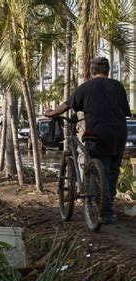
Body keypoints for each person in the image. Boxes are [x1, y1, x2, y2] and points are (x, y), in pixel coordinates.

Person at [45, 57, 131, 224]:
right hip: (119, 133)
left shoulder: (86, 87)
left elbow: (66, 105)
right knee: (113, 170)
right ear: (108, 70)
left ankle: (104, 211)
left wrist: (51, 113)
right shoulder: (118, 86)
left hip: (97, 134)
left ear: (92, 71)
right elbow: (125, 111)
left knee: (102, 171)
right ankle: (108, 204)